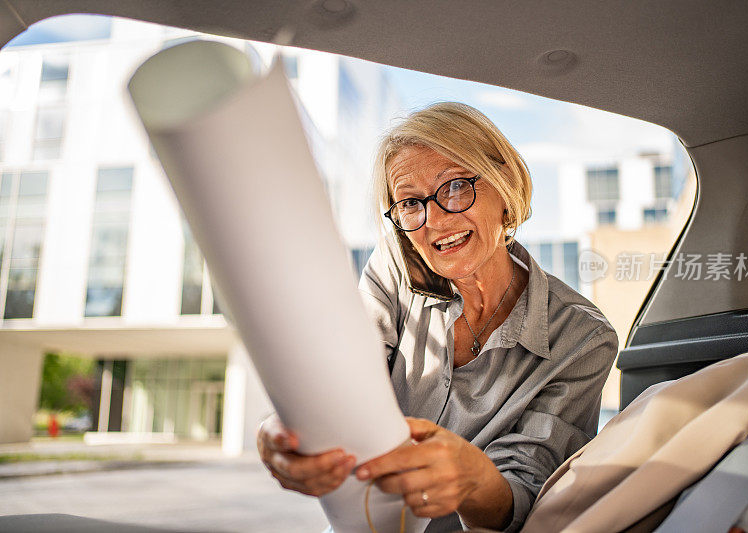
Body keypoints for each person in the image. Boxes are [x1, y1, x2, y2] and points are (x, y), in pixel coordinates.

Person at [257, 102, 618, 532]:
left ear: (504, 187)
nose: (435, 221)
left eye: (455, 187)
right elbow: (339, 378)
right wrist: (286, 428)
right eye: (410, 202)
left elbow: (527, 496)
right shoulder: (395, 265)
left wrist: (475, 480)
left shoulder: (582, 337)